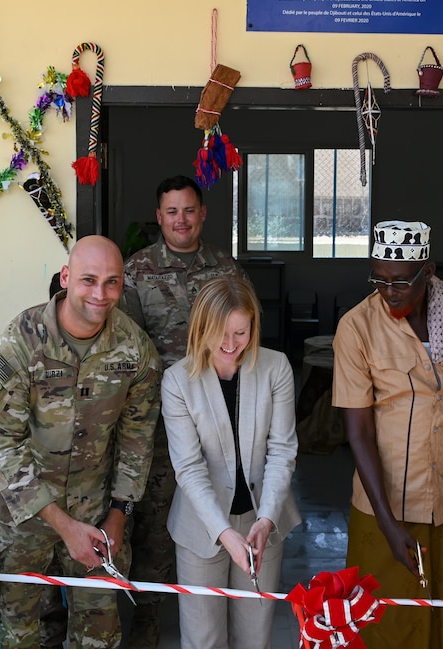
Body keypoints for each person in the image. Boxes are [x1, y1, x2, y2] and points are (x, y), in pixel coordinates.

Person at [0, 235, 162, 649]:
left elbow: (138, 437)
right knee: (16, 634)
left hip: (96, 514)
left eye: (112, 282)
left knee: (98, 634)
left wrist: (118, 516)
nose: (100, 294)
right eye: (89, 280)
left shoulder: (135, 349)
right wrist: (62, 525)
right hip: (21, 520)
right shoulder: (22, 341)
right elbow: (1, 442)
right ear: (66, 278)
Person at [332, 220, 443, 649]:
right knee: (385, 623)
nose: (390, 292)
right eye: (380, 279)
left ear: (429, 269)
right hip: (387, 507)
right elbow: (359, 431)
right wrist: (387, 523)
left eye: (402, 281)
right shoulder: (357, 328)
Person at [119, 174, 246, 648]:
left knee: (217, 510)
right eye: (171, 211)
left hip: (217, 419)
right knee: (153, 520)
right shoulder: (136, 271)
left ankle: (217, 609)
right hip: (156, 423)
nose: (181, 220)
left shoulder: (226, 269)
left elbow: (246, 335)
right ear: (159, 217)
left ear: (203, 213)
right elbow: (126, 351)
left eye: (189, 210)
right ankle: (149, 618)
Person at [162, 276, 300, 649]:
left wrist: (266, 518)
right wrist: (224, 533)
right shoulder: (177, 381)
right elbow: (189, 468)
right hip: (200, 526)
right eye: (219, 333)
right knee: (203, 638)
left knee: (255, 636)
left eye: (240, 333)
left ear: (253, 325)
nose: (229, 344)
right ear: (200, 327)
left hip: (262, 521)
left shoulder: (276, 368)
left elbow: (282, 450)